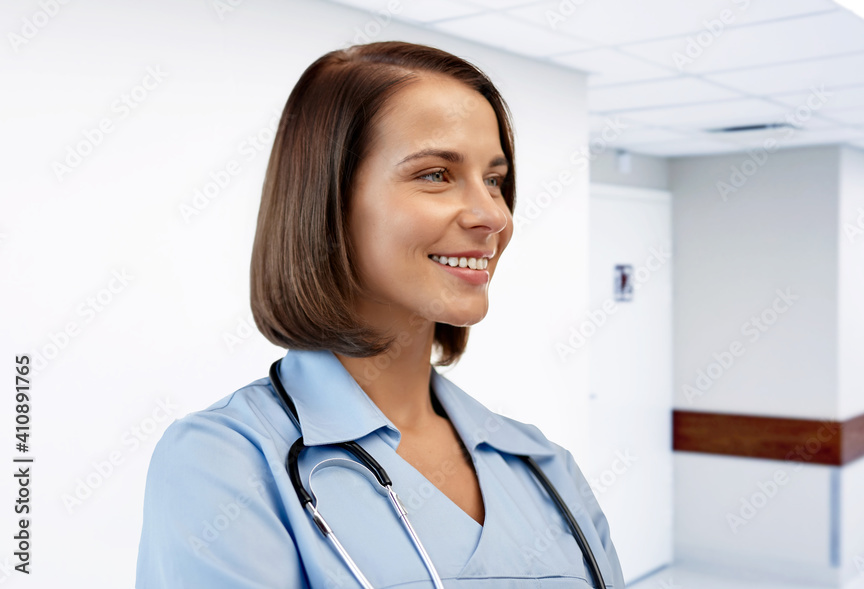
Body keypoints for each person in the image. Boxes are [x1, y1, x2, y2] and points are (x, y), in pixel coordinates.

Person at [136, 40, 626, 588]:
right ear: (328, 201)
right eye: (437, 174)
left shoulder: (541, 464)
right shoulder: (223, 462)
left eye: (493, 179)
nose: (493, 215)